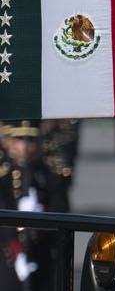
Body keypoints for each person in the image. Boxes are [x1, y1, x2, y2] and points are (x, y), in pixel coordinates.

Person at [0, 121, 69, 291]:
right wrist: (15, 249)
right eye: (19, 140)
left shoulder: (50, 172)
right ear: (8, 141)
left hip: (42, 251)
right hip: (7, 252)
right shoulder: (4, 174)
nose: (24, 147)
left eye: (30, 141)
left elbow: (61, 207)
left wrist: (43, 213)